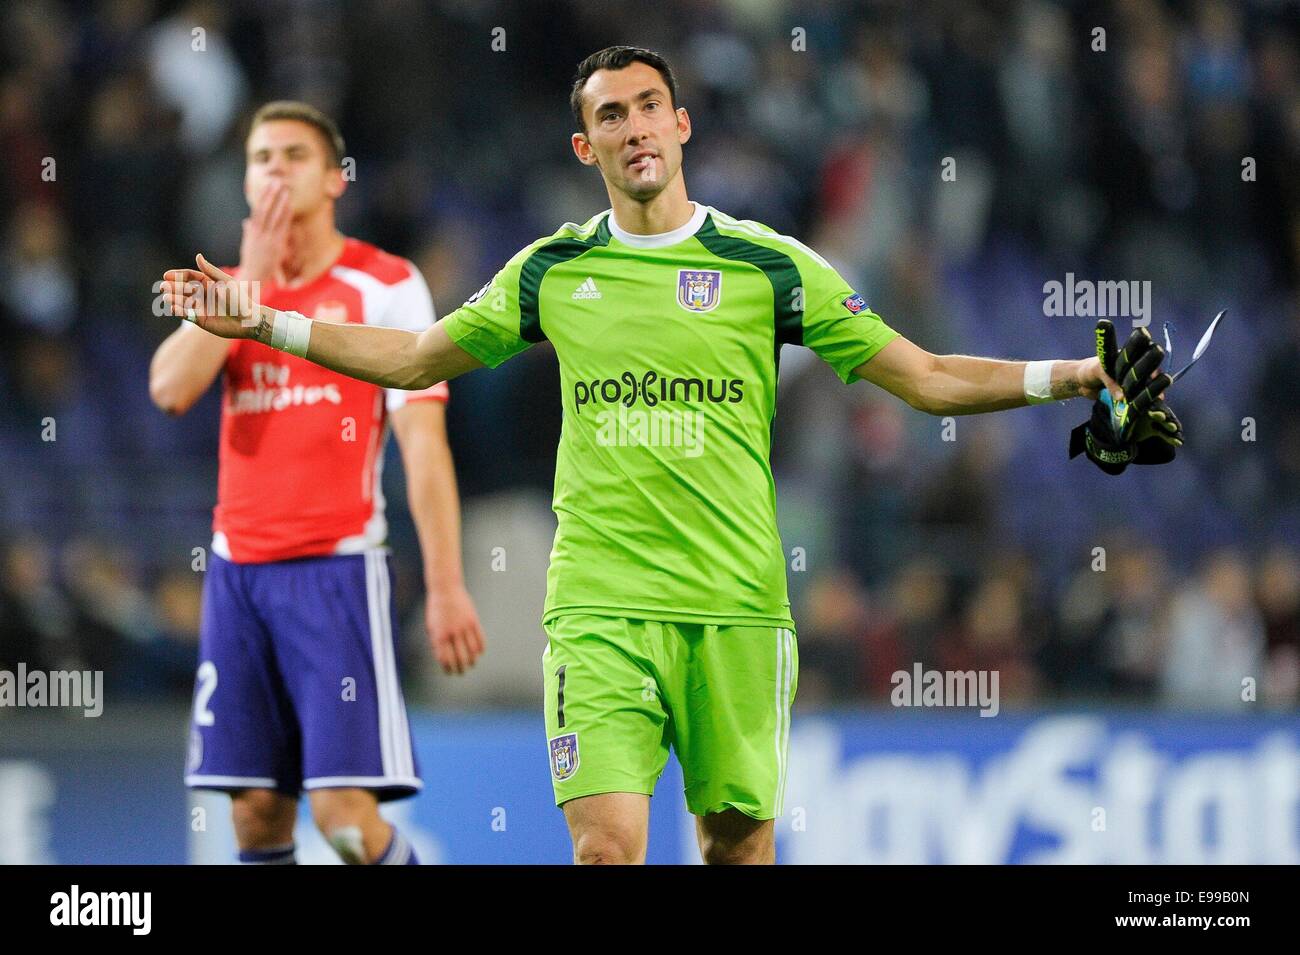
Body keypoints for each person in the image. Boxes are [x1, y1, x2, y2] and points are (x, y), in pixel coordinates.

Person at [160, 49, 1174, 864]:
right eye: (612, 114)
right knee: (606, 846)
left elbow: (923, 375)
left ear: (680, 126)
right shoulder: (552, 269)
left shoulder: (768, 265)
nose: (634, 126)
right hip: (599, 604)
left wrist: (1070, 376)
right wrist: (266, 322)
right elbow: (415, 355)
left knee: (738, 847)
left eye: (650, 106)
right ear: (584, 142)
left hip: (736, 604)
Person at [150, 101, 484, 865]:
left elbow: (423, 443)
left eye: (294, 155)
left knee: (340, 815)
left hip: (336, 571)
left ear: (335, 179)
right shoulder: (225, 287)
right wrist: (253, 281)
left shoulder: (386, 284)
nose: (274, 169)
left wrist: (446, 582)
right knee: (257, 817)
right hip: (238, 574)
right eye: (261, 157)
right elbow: (169, 388)